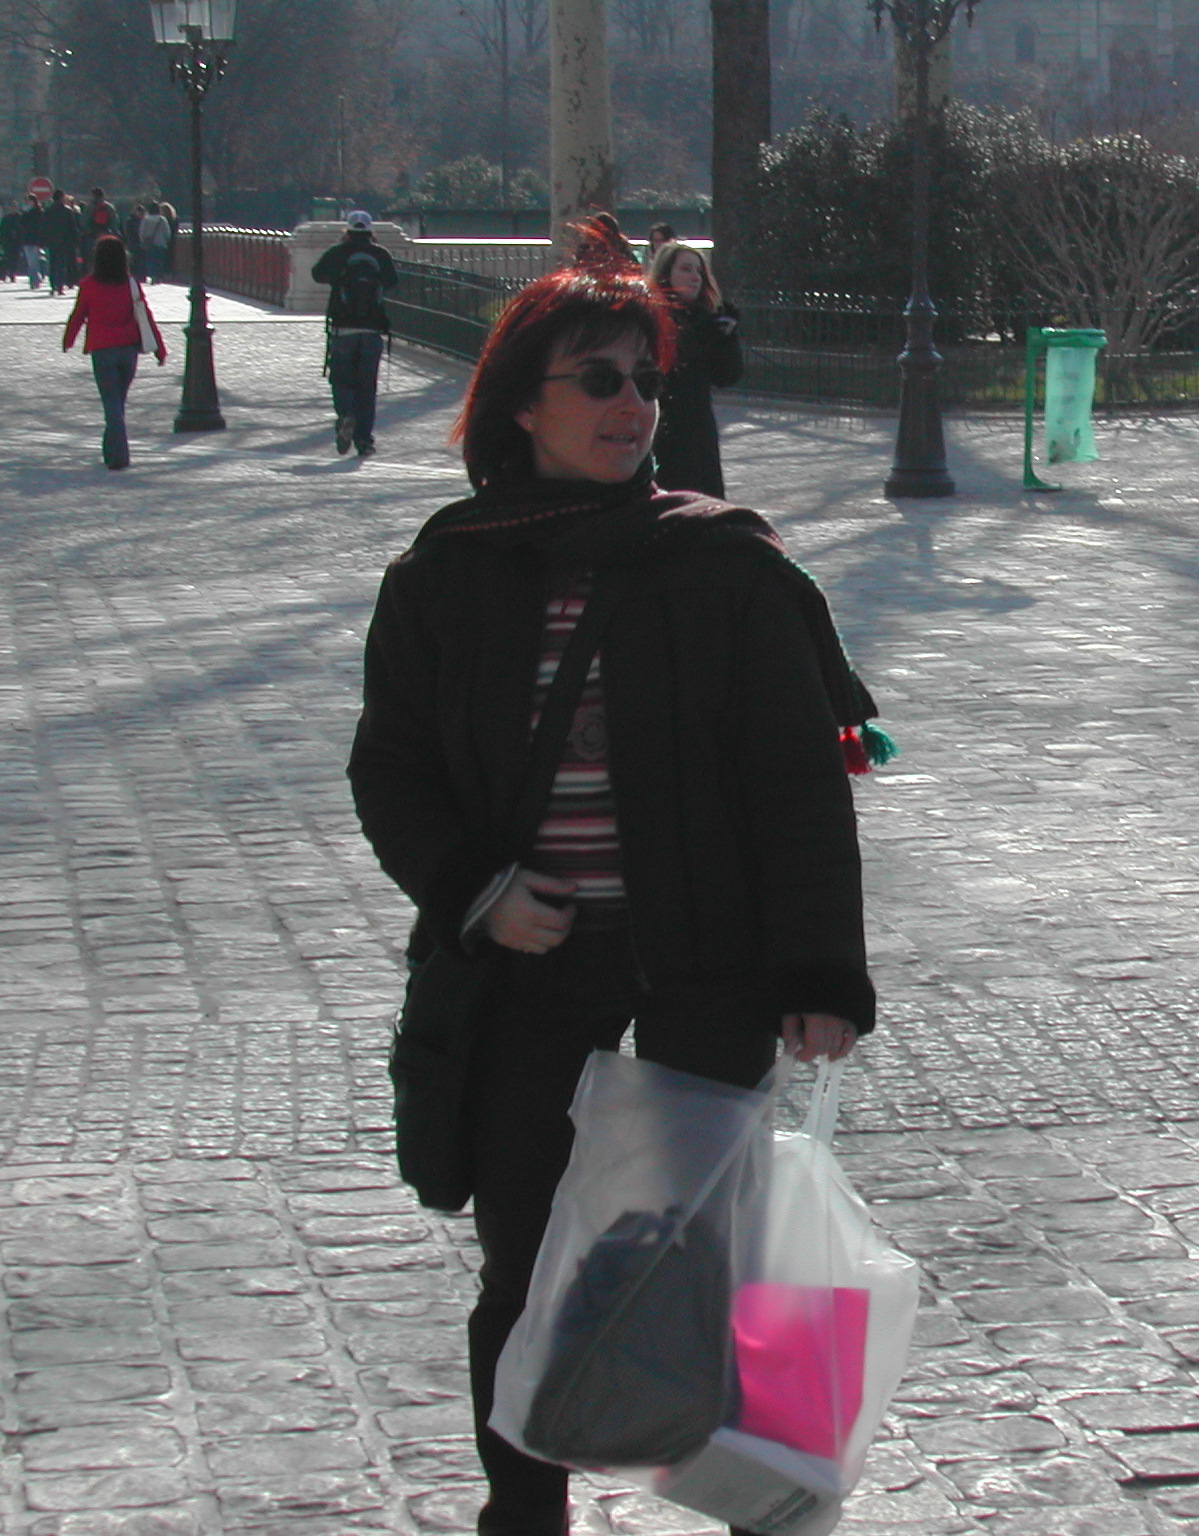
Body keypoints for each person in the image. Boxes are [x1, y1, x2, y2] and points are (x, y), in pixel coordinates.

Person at [347, 252, 885, 1536]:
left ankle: (757, 1503)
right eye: (596, 380)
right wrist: (477, 892)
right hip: (528, 974)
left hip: (701, 970)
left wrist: (818, 972)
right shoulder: (446, 572)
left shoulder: (723, 566)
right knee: (525, 1265)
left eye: (645, 381)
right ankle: (524, 1516)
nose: (632, 406)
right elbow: (392, 768)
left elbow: (793, 782)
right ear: (519, 404)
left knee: (716, 1263)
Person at [60, 234, 168, 470]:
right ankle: (110, 449)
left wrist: (68, 339)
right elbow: (145, 316)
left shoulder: (89, 284)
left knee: (111, 404)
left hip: (102, 348)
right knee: (118, 402)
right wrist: (159, 348)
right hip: (128, 349)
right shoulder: (130, 284)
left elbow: (78, 314)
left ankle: (118, 454)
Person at [648, 239, 743, 497]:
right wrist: (701, 335)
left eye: (699, 271)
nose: (695, 277)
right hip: (664, 432)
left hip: (700, 431)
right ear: (666, 273)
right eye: (685, 269)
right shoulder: (653, 315)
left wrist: (727, 338)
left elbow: (727, 376)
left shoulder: (702, 316)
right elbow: (666, 364)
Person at [311, 210, 399, 457]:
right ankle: (364, 440)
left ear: (347, 230)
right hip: (372, 329)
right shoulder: (380, 254)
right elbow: (393, 281)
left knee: (341, 380)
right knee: (367, 387)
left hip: (343, 328)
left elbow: (317, 274)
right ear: (370, 231)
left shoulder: (337, 253)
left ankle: (346, 416)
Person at [137, 202, 171, 284]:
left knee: (150, 261)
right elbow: (167, 232)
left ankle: (153, 276)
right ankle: (159, 276)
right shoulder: (162, 219)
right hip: (161, 243)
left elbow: (142, 231)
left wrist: (143, 241)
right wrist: (166, 240)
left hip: (149, 244)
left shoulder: (146, 219)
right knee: (159, 261)